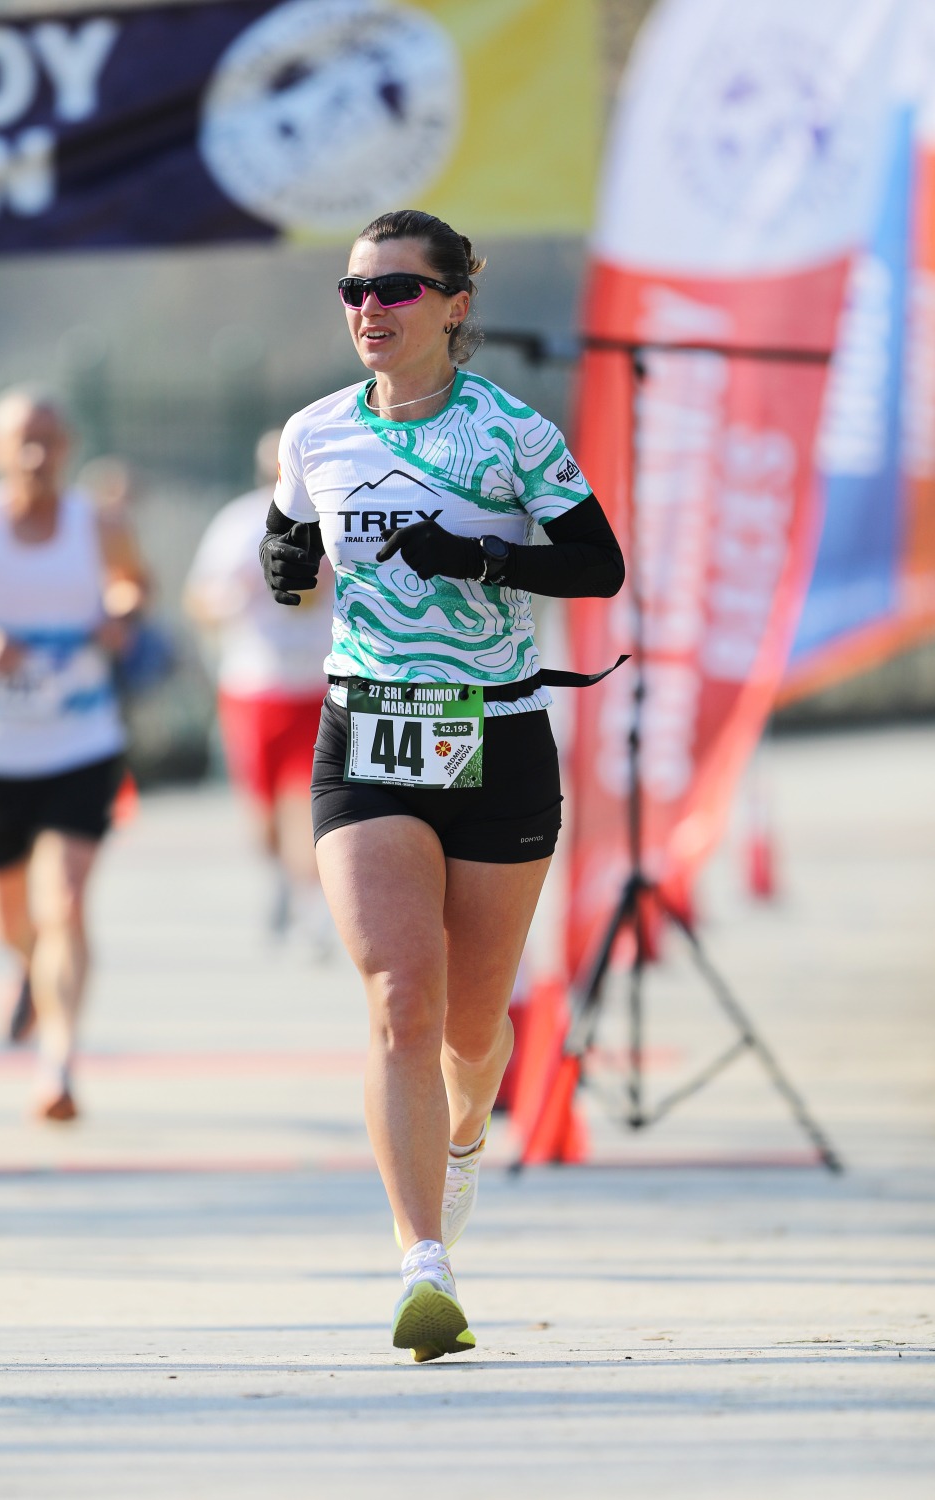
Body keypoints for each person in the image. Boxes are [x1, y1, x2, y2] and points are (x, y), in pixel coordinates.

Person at [260, 209, 625, 1362]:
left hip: (493, 735)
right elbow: (287, 544)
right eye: (353, 291)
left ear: (455, 304)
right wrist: (285, 560)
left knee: (471, 1027)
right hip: (366, 734)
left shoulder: (512, 434)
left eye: (396, 290)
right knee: (399, 1000)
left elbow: (598, 565)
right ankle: (422, 1263)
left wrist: (480, 556)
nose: (369, 309)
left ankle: (463, 1136)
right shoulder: (317, 432)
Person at [0, 386, 149, 1120]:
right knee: (11, 918)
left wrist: (120, 613)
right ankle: (26, 968)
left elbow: (135, 587)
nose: (35, 455)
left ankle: (58, 1062)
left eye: (48, 440)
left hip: (82, 743)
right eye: (21, 441)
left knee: (65, 903)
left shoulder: (100, 524)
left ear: (68, 447)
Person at [183, 429, 334, 946]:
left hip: (319, 685)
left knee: (308, 801)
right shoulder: (238, 523)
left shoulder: (336, 519)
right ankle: (282, 879)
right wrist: (224, 601)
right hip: (254, 686)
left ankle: (312, 905)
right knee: (263, 813)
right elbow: (199, 598)